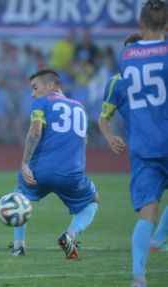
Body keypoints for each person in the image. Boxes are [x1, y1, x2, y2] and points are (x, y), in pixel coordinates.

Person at [10, 68, 99, 260]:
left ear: (50, 85)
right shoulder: (80, 108)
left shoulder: (41, 102)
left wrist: (25, 163)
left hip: (39, 172)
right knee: (92, 201)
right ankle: (70, 235)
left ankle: (18, 247)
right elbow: (82, 142)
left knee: (19, 196)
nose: (32, 93)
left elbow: (35, 131)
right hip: (72, 175)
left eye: (35, 87)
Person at [99, 33, 168, 256]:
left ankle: (153, 248)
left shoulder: (159, 71)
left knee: (149, 206)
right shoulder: (116, 83)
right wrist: (109, 137)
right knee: (149, 204)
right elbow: (103, 118)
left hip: (153, 144)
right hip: (144, 148)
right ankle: (154, 244)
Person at [117, 1, 168, 286]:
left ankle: (138, 276)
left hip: (143, 145)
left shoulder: (126, 55)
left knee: (147, 214)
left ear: (139, 26)